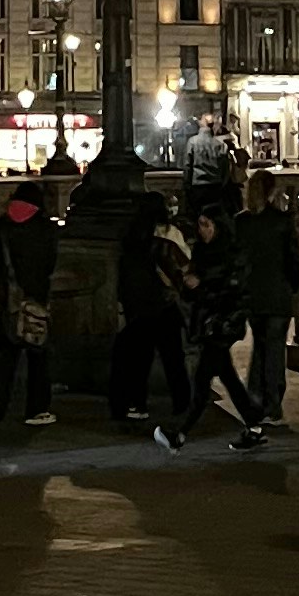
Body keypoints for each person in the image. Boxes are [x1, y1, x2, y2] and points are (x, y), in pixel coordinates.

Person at [111, 185, 200, 449]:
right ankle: (182, 402)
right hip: (162, 303)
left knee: (139, 357)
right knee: (173, 354)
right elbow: (183, 264)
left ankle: (136, 404)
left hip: (138, 305)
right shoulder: (167, 234)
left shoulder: (131, 236)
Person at [0, 183, 61, 425]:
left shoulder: (1, 227)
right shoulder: (44, 228)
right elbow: (49, 264)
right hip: (35, 298)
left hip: (10, 300)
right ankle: (37, 410)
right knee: (38, 355)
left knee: (8, 354)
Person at [186, 202, 264, 445]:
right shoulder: (201, 251)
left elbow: (233, 292)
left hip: (222, 323)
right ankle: (254, 425)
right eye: (200, 225)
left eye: (206, 225)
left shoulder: (231, 253)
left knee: (202, 381)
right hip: (209, 321)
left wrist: (201, 287)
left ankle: (179, 432)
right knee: (227, 377)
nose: (202, 230)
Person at [235, 165, 299, 425]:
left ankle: (255, 397)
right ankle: (273, 401)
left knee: (260, 346)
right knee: (274, 349)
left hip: (253, 294)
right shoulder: (281, 222)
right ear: (272, 191)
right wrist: (293, 286)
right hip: (277, 293)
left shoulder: (241, 222)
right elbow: (293, 260)